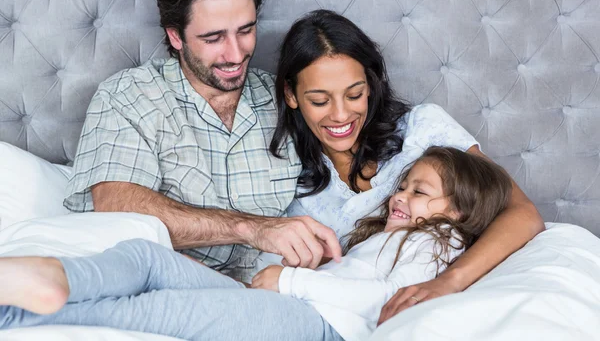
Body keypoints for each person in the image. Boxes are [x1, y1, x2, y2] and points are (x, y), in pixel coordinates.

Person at [0, 146, 512, 341]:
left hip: (318, 328)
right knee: (147, 257)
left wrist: (290, 280)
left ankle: (21, 316)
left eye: (418, 192)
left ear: (459, 211)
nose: (399, 198)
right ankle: (54, 276)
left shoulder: (436, 246)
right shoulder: (394, 237)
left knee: (161, 310)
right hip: (284, 302)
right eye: (402, 186)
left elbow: (382, 303)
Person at [63, 0, 341, 282]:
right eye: (213, 38)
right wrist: (253, 228)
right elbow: (118, 208)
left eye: (246, 30)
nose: (236, 53)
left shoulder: (284, 97)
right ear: (176, 36)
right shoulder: (129, 97)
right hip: (165, 284)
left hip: (270, 291)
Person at [267, 9, 545, 322]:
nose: (341, 115)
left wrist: (448, 282)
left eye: (355, 94)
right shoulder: (288, 174)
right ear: (291, 95)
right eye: (320, 101)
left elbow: (522, 213)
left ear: (370, 85)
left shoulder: (422, 129)